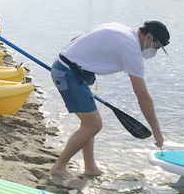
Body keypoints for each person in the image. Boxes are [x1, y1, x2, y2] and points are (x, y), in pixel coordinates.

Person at [49, 21, 168, 182]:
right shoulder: (132, 50)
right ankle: (59, 167)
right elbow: (143, 97)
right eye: (156, 47)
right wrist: (156, 130)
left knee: (89, 123)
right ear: (149, 37)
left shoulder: (120, 28)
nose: (154, 51)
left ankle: (90, 167)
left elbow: (75, 39)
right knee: (94, 124)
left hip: (73, 72)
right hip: (67, 74)